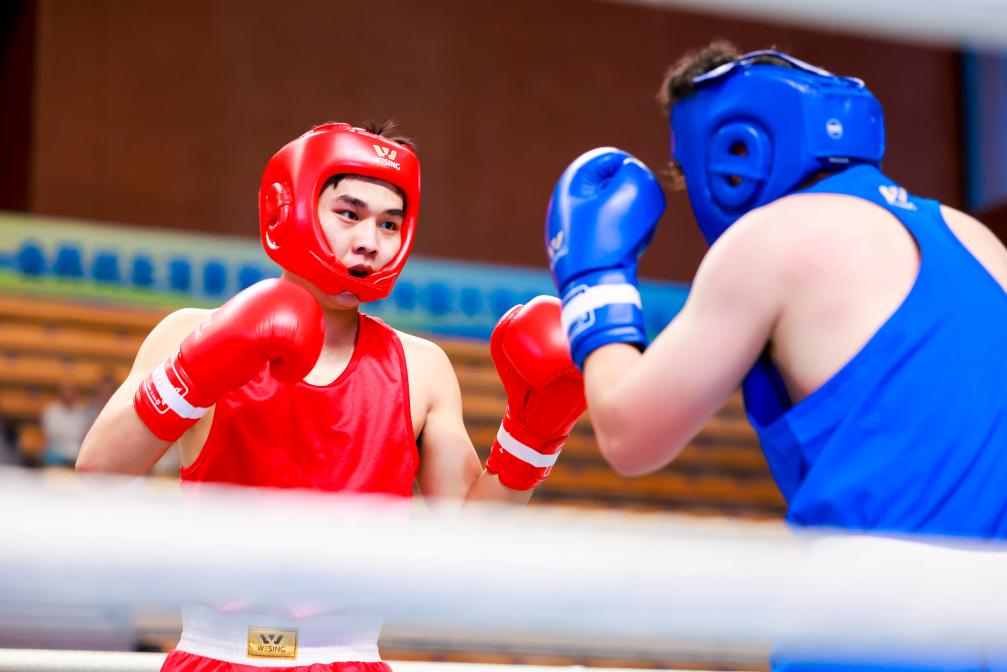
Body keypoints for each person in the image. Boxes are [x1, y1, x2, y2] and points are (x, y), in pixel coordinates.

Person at [545, 43, 1007, 670]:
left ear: (736, 153)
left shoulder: (773, 238)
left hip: (874, 635)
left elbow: (630, 435)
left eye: (682, 172)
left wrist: (591, 280)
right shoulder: (978, 240)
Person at [78, 122, 586, 671]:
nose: (370, 241)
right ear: (290, 208)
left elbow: (467, 545)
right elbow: (98, 468)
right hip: (213, 654)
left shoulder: (421, 368)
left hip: (348, 658)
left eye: (389, 223)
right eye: (349, 214)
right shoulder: (189, 334)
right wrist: (200, 366)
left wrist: (533, 437)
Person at [41, 380, 91, 467]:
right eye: (66, 390)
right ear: (60, 392)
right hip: (56, 450)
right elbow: (52, 434)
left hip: (76, 451)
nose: (68, 394)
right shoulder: (51, 411)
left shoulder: (82, 411)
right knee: (49, 456)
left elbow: (83, 434)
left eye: (71, 390)